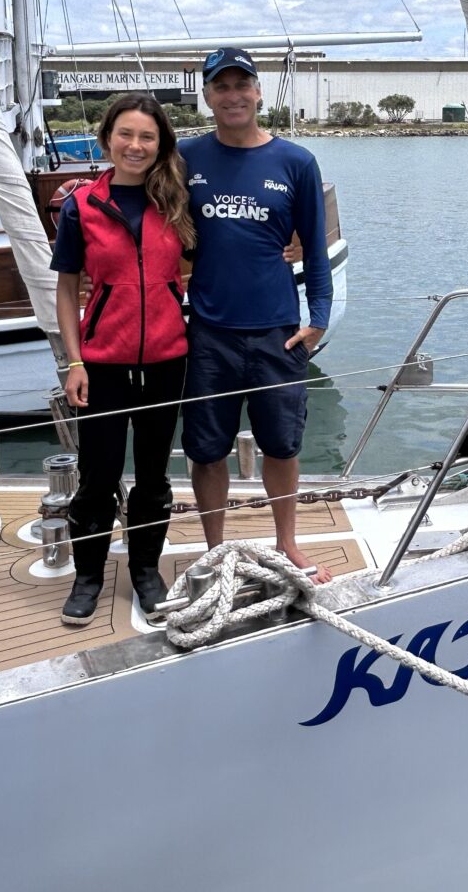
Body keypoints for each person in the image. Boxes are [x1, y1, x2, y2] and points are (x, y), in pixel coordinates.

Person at [179, 46, 335, 581]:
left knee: (283, 445)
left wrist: (318, 318)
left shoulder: (296, 162)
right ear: (207, 96)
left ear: (259, 91)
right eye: (221, 87)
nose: (232, 95)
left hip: (277, 332)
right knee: (206, 450)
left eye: (241, 84)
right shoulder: (185, 158)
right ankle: (214, 547)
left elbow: (315, 249)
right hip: (209, 332)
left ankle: (287, 540)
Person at [51, 92, 196, 625]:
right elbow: (67, 290)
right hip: (104, 363)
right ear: (107, 138)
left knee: (154, 477)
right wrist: (75, 361)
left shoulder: (177, 202)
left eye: (147, 137)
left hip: (165, 360)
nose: (135, 146)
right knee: (97, 475)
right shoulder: (82, 206)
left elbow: (210, 263)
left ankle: (145, 573)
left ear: (161, 145)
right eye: (126, 135)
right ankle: (87, 577)